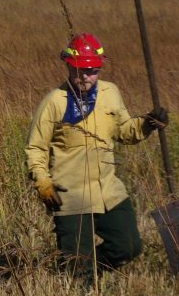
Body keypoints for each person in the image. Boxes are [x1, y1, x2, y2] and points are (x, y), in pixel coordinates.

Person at [25, 33, 166, 274]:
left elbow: (124, 131)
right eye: (80, 70)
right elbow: (35, 148)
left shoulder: (110, 93)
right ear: (68, 65)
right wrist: (43, 184)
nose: (86, 77)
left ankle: (91, 268)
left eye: (92, 71)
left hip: (108, 191)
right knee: (78, 267)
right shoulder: (54, 102)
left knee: (129, 246)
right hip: (71, 197)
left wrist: (148, 123)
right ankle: (81, 281)